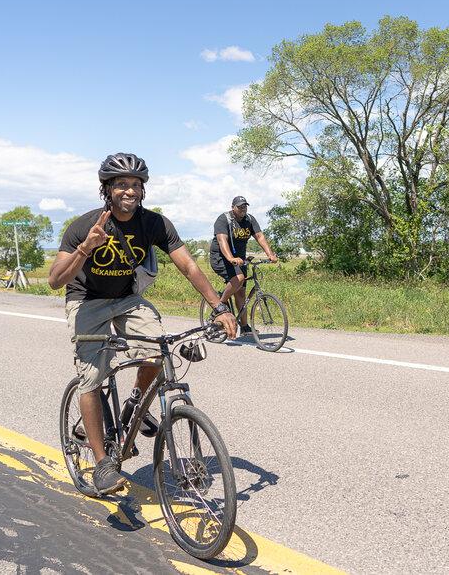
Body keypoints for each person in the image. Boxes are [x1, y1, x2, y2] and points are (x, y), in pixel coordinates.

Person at [48, 152, 237, 496]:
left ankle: (136, 402)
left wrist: (219, 306)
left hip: (127, 298)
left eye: (136, 185)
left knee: (157, 348)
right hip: (86, 300)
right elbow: (55, 280)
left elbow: (189, 267)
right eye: (122, 184)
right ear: (107, 189)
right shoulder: (82, 226)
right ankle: (104, 465)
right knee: (92, 374)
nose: (130, 191)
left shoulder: (154, 224)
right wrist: (85, 249)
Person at [208, 196, 278, 336]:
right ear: (233, 207)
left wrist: (270, 254)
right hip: (221, 257)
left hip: (240, 259)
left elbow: (259, 236)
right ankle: (219, 306)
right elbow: (223, 241)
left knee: (241, 292)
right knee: (239, 278)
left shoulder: (249, 220)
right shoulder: (224, 219)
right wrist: (231, 258)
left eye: (245, 206)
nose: (243, 209)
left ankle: (245, 327)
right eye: (240, 206)